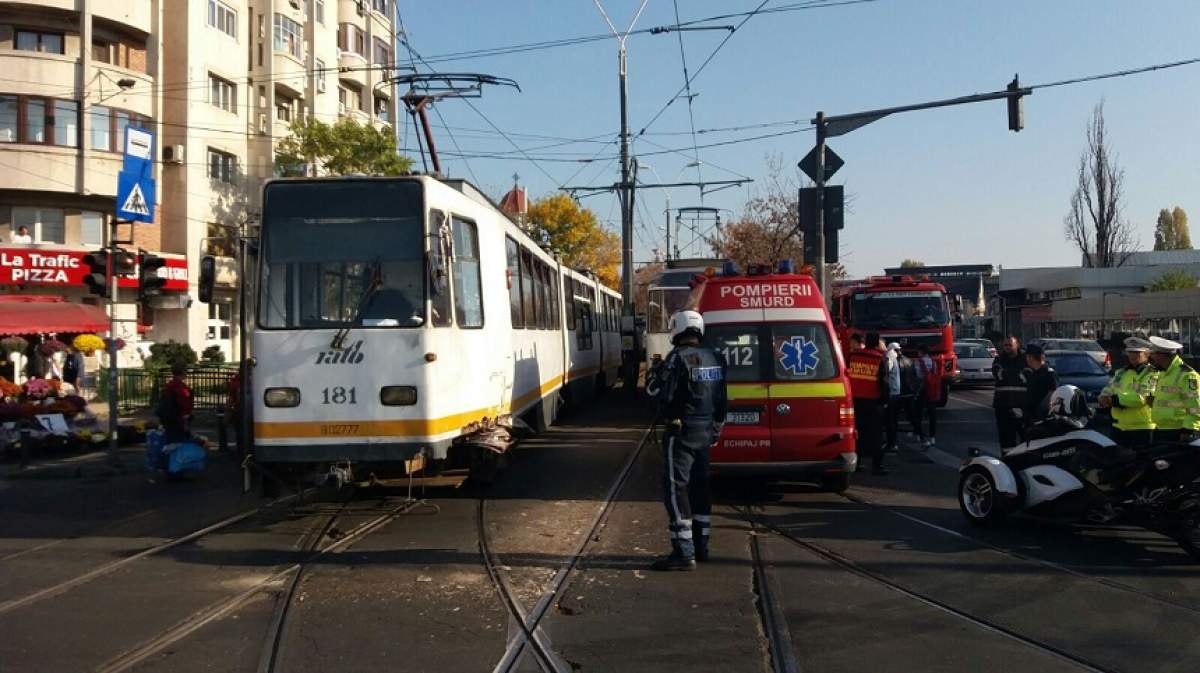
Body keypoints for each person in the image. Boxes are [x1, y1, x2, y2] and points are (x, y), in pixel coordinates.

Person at [651, 309, 727, 571]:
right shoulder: (715, 357)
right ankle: (701, 545)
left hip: (681, 433)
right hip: (705, 432)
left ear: (677, 329)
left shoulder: (676, 359)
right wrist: (715, 430)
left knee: (676, 489)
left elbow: (657, 394)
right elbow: (721, 402)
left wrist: (656, 372)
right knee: (700, 487)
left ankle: (683, 552)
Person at [1099, 337, 1158, 448]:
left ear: (1147, 354)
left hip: (1142, 428)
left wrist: (1113, 400)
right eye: (1130, 352)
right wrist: (1103, 397)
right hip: (1119, 426)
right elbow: (1108, 389)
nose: (1132, 355)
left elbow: (1141, 398)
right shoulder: (1121, 372)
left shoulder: (1153, 373)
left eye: (1137, 352)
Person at [848, 331, 889, 475]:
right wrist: (885, 401)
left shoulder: (853, 356)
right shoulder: (880, 358)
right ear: (877, 343)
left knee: (857, 433)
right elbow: (884, 383)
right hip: (873, 402)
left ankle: (856, 464)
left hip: (855, 401)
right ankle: (876, 467)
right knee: (876, 436)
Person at [1147, 336, 1200, 443]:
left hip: (1179, 432)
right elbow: (1169, 399)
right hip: (1161, 429)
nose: (1151, 358)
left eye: (1153, 354)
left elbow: (1195, 407)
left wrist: (1189, 430)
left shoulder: (1188, 375)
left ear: (1162, 355)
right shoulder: (1163, 373)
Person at [992, 336, 1027, 450]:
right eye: (1005, 345)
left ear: (1017, 345)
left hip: (1022, 405)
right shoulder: (998, 360)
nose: (1007, 347)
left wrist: (1015, 374)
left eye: (1010, 345)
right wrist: (1018, 374)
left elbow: (1028, 375)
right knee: (1005, 437)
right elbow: (998, 374)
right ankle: (1007, 461)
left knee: (1026, 435)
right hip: (1003, 406)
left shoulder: (1025, 359)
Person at [912, 344, 941, 449]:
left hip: (922, 390)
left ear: (921, 352)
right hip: (932, 390)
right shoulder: (933, 362)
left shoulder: (918, 362)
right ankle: (932, 436)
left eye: (919, 352)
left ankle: (919, 435)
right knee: (932, 414)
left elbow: (917, 375)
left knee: (918, 413)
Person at [1023, 344, 1060, 427]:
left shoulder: (1049, 374)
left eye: (1027, 356)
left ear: (1031, 357)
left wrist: (1039, 412)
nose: (1026, 359)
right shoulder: (1033, 373)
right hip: (1032, 418)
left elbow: (1052, 395)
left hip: (1042, 420)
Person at [157, 362, 194, 444]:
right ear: (183, 372)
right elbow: (184, 405)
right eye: (186, 370)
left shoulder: (169, 385)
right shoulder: (180, 388)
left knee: (171, 444)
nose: (187, 372)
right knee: (178, 445)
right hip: (178, 421)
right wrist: (186, 422)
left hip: (168, 419)